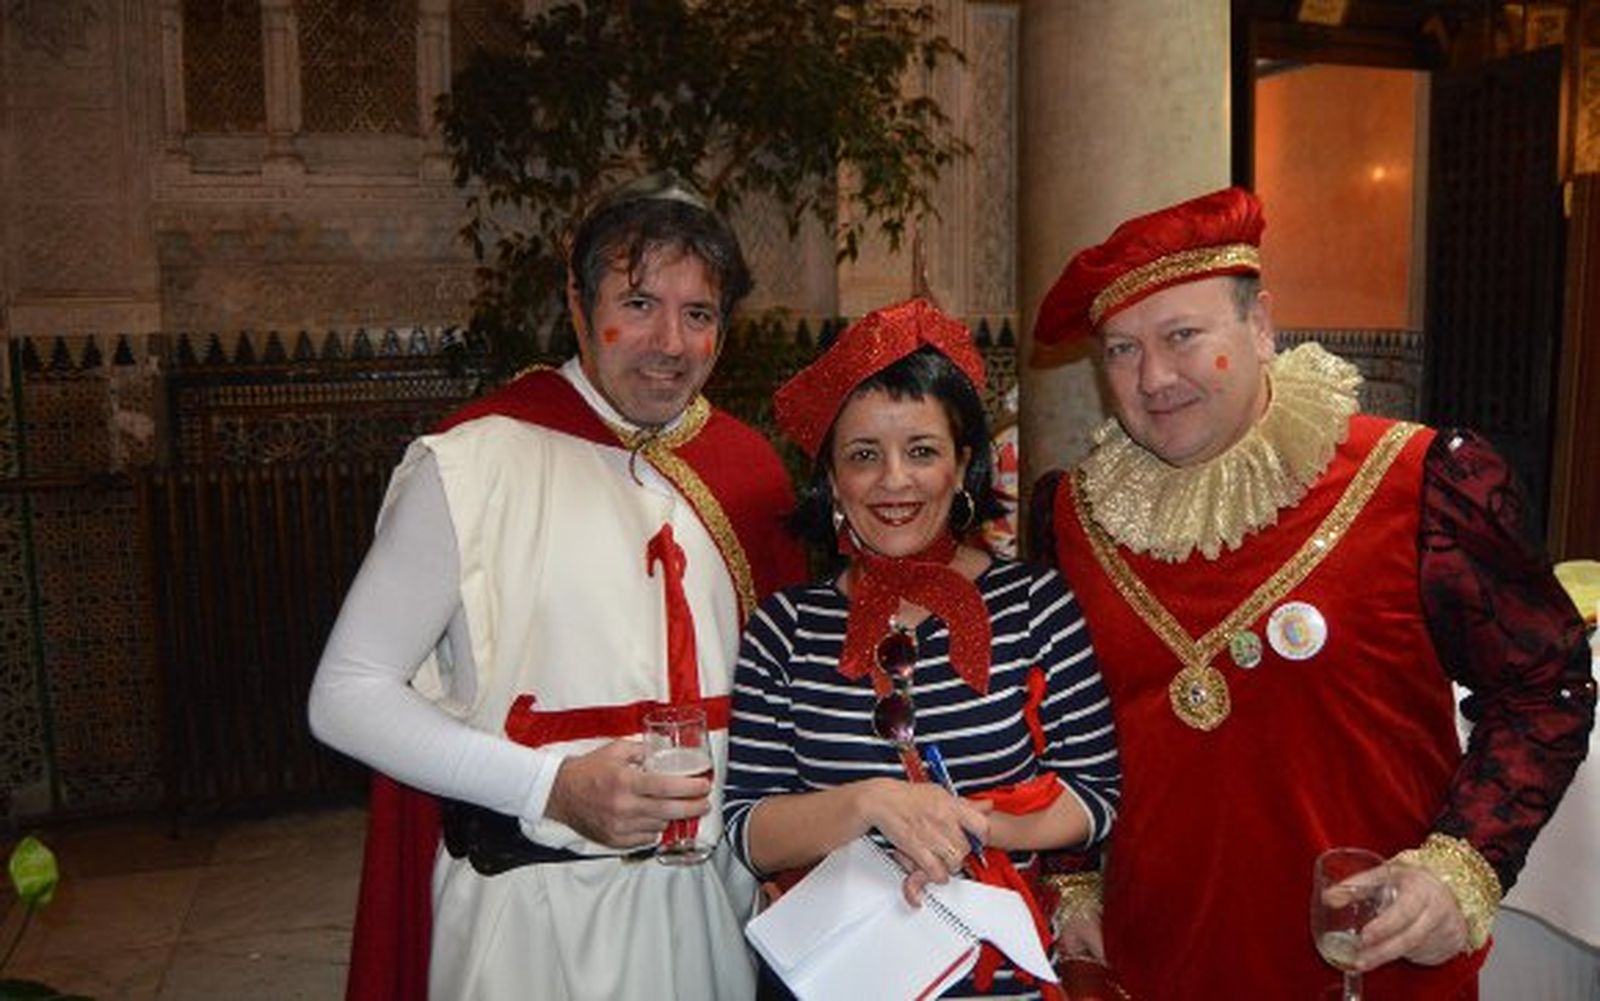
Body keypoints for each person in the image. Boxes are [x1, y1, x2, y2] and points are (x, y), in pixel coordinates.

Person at [1026, 186, 1596, 999]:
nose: (1153, 377)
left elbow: (1545, 685)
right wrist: (1074, 879)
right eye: (1121, 349)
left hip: (1368, 969)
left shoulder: (1418, 483)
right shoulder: (1074, 518)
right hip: (1155, 963)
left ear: (1261, 327)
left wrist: (1461, 865)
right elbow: (1058, 723)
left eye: (1182, 335)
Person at [308, 172, 807, 1001]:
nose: (670, 342)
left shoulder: (746, 472)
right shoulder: (475, 462)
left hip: (711, 911)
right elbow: (346, 694)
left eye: (698, 313)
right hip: (528, 922)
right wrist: (552, 788)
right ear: (577, 305)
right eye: (638, 304)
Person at [722, 298, 1122, 998]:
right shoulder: (784, 628)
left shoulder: (1035, 604)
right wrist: (873, 804)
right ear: (832, 479)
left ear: (963, 466)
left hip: (998, 975)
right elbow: (747, 827)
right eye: (863, 455)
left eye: (922, 451)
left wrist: (960, 826)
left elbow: (1095, 793)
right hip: (839, 976)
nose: (894, 480)